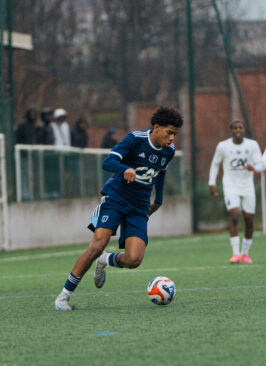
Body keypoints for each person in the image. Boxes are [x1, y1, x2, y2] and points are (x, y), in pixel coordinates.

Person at [55, 106, 184, 310]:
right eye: (169, 133)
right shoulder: (135, 139)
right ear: (156, 127)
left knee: (134, 259)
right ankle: (63, 296)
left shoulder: (169, 151)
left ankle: (105, 260)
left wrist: (158, 200)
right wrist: (126, 169)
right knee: (97, 245)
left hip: (140, 205)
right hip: (116, 198)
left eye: (175, 134)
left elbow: (161, 174)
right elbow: (108, 162)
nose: (172, 138)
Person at [208, 120, 263, 264]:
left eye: (240, 128)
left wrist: (254, 168)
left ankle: (245, 254)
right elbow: (215, 164)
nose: (238, 130)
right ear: (231, 130)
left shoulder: (252, 145)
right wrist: (211, 183)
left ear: (244, 130)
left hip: (247, 186)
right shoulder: (223, 146)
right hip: (230, 185)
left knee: (249, 220)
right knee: (234, 215)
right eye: (235, 128)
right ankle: (235, 254)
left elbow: (260, 164)